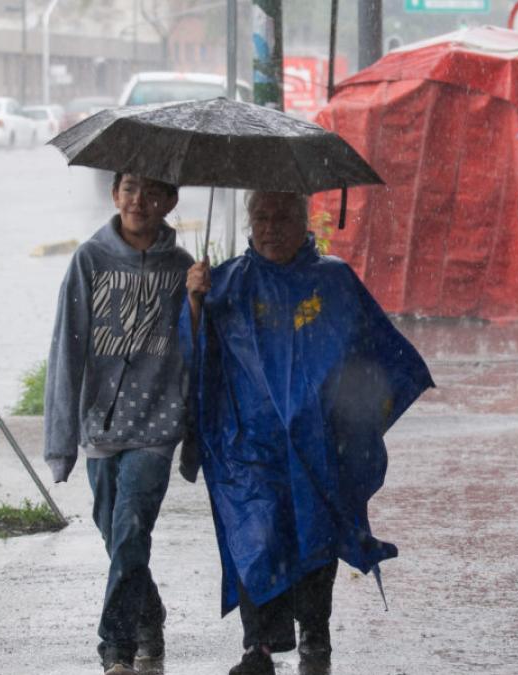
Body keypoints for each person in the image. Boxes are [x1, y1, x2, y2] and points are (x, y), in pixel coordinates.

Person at [181, 191, 434, 675]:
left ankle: (314, 634)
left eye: (283, 216)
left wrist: (355, 418)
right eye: (262, 217)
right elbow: (196, 357)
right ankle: (258, 646)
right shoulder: (227, 282)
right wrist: (194, 302)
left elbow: (373, 352)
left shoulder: (334, 281)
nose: (272, 227)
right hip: (249, 447)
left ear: (304, 221)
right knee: (256, 534)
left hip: (320, 444)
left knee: (315, 535)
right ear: (249, 222)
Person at [44, 173, 194, 675]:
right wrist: (61, 443)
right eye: (129, 188)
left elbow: (200, 351)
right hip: (100, 427)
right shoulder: (90, 260)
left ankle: (116, 646)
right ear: (114, 194)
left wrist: (198, 301)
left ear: (170, 201)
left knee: (131, 530)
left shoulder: (182, 269)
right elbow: (67, 349)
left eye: (153, 191)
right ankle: (149, 613)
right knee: (116, 536)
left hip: (157, 421)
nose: (139, 200)